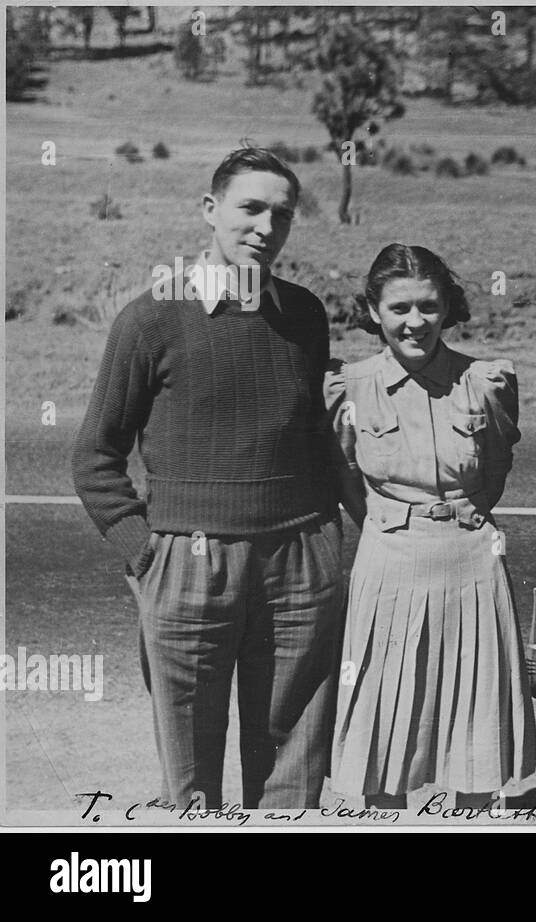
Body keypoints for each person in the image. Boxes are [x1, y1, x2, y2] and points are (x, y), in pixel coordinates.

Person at [72, 146, 342, 808]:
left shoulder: (306, 316)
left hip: (300, 561)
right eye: (249, 209)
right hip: (188, 558)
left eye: (281, 215)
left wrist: (331, 544)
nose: (264, 228)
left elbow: (311, 438)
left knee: (291, 771)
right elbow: (95, 455)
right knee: (190, 778)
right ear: (210, 210)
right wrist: (145, 553)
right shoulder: (151, 318)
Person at [327, 244, 536, 809]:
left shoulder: (485, 381)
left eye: (428, 306)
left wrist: (457, 519)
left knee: (474, 729)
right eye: (398, 308)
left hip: (471, 563)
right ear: (373, 311)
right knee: (384, 734)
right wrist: (396, 522)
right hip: (388, 562)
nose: (414, 322)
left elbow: (494, 470)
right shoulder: (348, 386)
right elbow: (346, 477)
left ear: (447, 309)